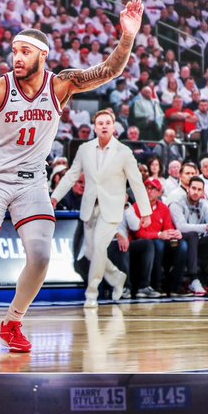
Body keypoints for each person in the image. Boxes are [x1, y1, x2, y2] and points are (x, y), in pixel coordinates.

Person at [0, 0, 144, 352]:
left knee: (42, 257)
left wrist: (127, 37)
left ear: (42, 55)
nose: (17, 57)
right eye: (14, 51)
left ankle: (12, 321)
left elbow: (109, 70)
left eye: (25, 51)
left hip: (32, 181)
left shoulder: (62, 85)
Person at [50, 108, 149, 307]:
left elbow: (136, 182)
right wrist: (55, 196)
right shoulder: (84, 149)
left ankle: (92, 293)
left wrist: (145, 211)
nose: (104, 126)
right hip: (89, 206)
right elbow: (71, 175)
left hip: (111, 209)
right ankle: (116, 277)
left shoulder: (124, 152)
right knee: (90, 253)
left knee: (98, 247)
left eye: (107, 123)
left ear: (114, 127)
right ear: (95, 127)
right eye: (100, 123)